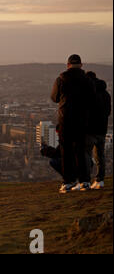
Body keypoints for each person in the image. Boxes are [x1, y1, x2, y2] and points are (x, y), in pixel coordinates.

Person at [51, 54, 96, 193]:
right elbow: (92, 99)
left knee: (66, 152)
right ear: (81, 65)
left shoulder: (61, 79)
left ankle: (68, 182)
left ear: (68, 65)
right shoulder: (87, 80)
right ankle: (85, 181)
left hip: (65, 120)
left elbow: (54, 97)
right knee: (81, 151)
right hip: (82, 120)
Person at [85, 71, 112, 190]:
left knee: (86, 155)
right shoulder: (106, 94)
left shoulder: (88, 93)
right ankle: (100, 180)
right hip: (102, 129)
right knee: (100, 156)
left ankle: (85, 180)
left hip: (90, 130)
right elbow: (108, 112)